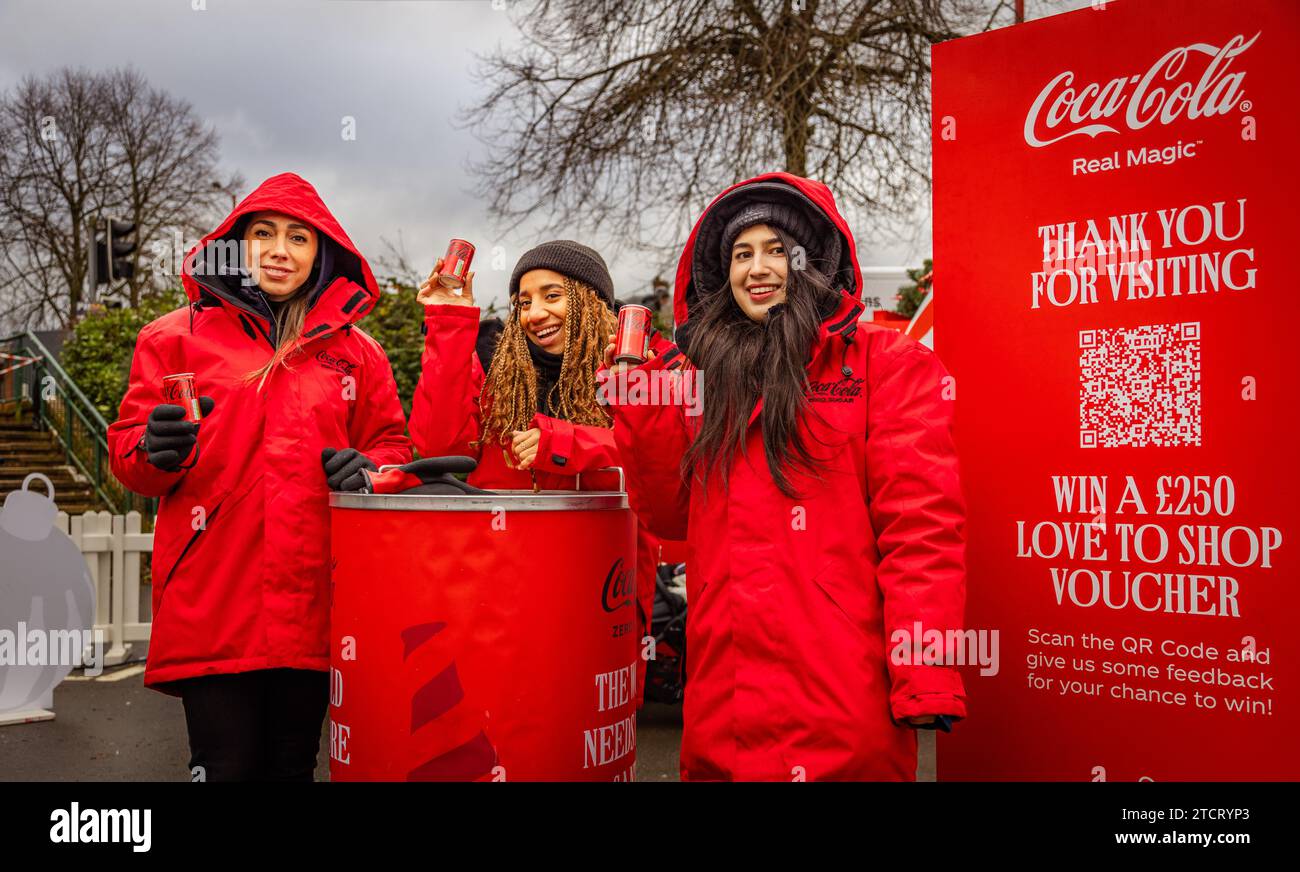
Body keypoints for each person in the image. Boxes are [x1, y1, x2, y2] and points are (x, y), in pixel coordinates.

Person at [603, 172, 968, 781]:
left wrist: (925, 671)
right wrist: (639, 404)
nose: (758, 267)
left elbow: (922, 529)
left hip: (842, 700)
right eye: (742, 253)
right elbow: (669, 516)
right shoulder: (703, 380)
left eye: (778, 249)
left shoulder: (887, 363)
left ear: (812, 261)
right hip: (725, 704)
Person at [108, 172, 412, 781]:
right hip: (214, 598)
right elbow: (129, 455)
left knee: (292, 765)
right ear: (235, 245)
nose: (280, 249)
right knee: (224, 768)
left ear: (321, 254)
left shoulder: (360, 353)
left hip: (314, 601)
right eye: (264, 234)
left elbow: (393, 447)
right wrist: (152, 450)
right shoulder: (172, 338)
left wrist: (373, 474)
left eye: (299, 238)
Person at [408, 241, 658, 705]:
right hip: (496, 605)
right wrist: (448, 322)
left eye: (552, 295)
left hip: (598, 604)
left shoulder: (638, 362)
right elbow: (437, 443)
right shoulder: (494, 374)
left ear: (591, 300)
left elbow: (659, 457)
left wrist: (564, 444)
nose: (534, 312)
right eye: (523, 302)